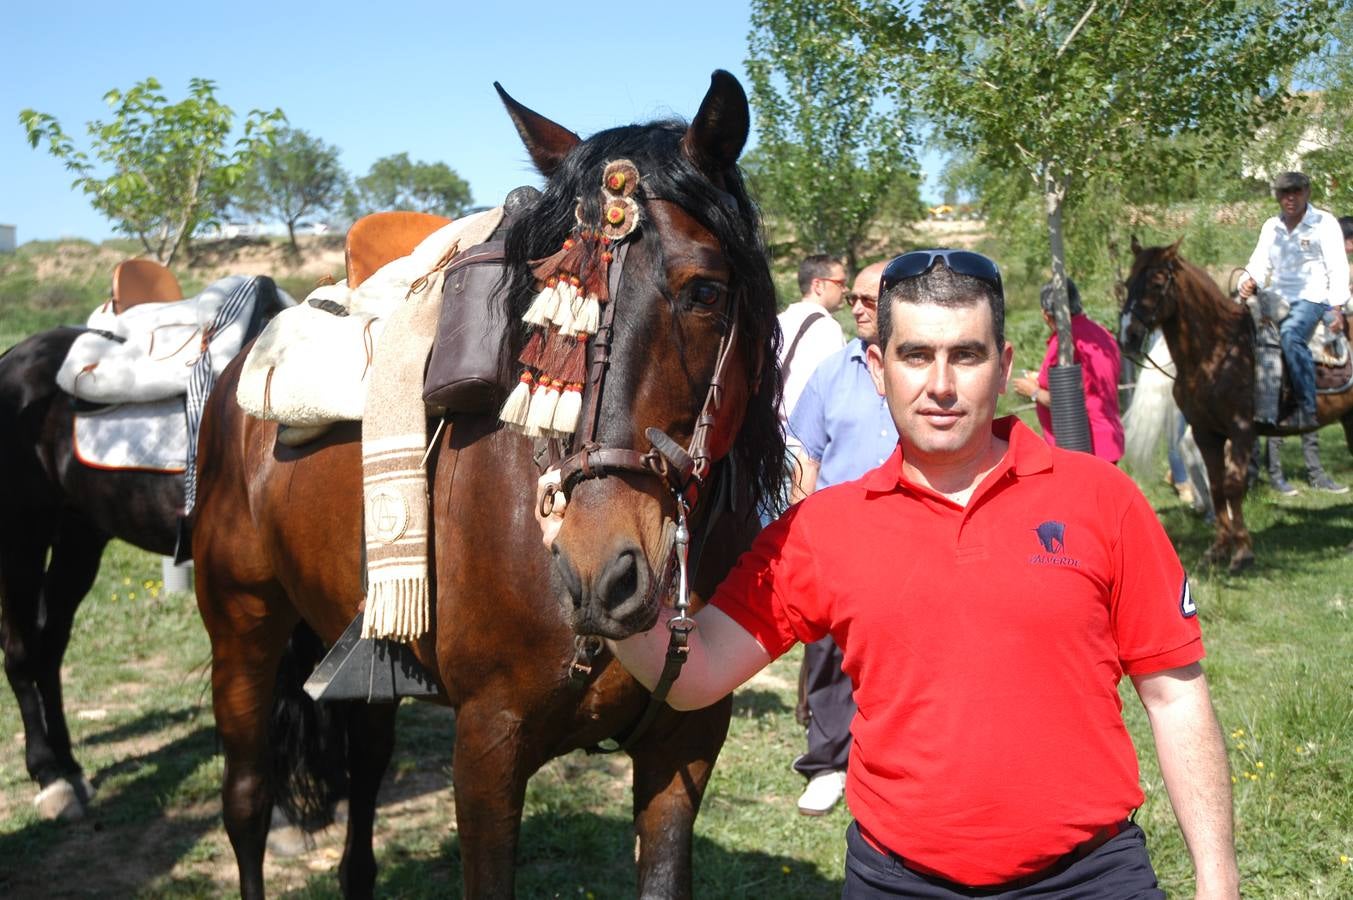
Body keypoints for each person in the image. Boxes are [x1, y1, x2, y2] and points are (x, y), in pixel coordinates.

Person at [539, 250, 1239, 897]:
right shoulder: (819, 530)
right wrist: (601, 584)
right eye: (915, 356)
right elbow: (692, 679)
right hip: (899, 882)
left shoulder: (1100, 499)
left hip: (1089, 876)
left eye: (966, 355)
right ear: (876, 369)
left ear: (1003, 364)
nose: (940, 384)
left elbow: (1175, 697)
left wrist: (1217, 878)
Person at [785, 260, 895, 816]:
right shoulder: (832, 370)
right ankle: (827, 763)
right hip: (838, 541)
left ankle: (892, 759)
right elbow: (805, 451)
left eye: (869, 300)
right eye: (852, 298)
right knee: (826, 655)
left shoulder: (918, 367)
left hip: (908, 541)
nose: (856, 308)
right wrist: (805, 527)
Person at [1237, 172, 1350, 429]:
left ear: (1307, 193)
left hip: (1311, 297)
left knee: (1290, 335)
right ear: (1277, 196)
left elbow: (1337, 267)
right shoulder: (1270, 227)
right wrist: (1245, 281)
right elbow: (1257, 263)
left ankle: (1306, 407)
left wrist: (1336, 306)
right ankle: (1255, 403)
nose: (1290, 198)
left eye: (1296, 192)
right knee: (1240, 333)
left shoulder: (1324, 223)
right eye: (1284, 193)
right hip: (1274, 298)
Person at [1011, 278, 1124, 464]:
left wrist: (1032, 391)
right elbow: (1085, 382)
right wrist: (1040, 378)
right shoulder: (1101, 334)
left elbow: (1063, 401)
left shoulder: (1064, 342)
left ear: (1046, 315)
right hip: (1110, 437)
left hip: (1082, 445)